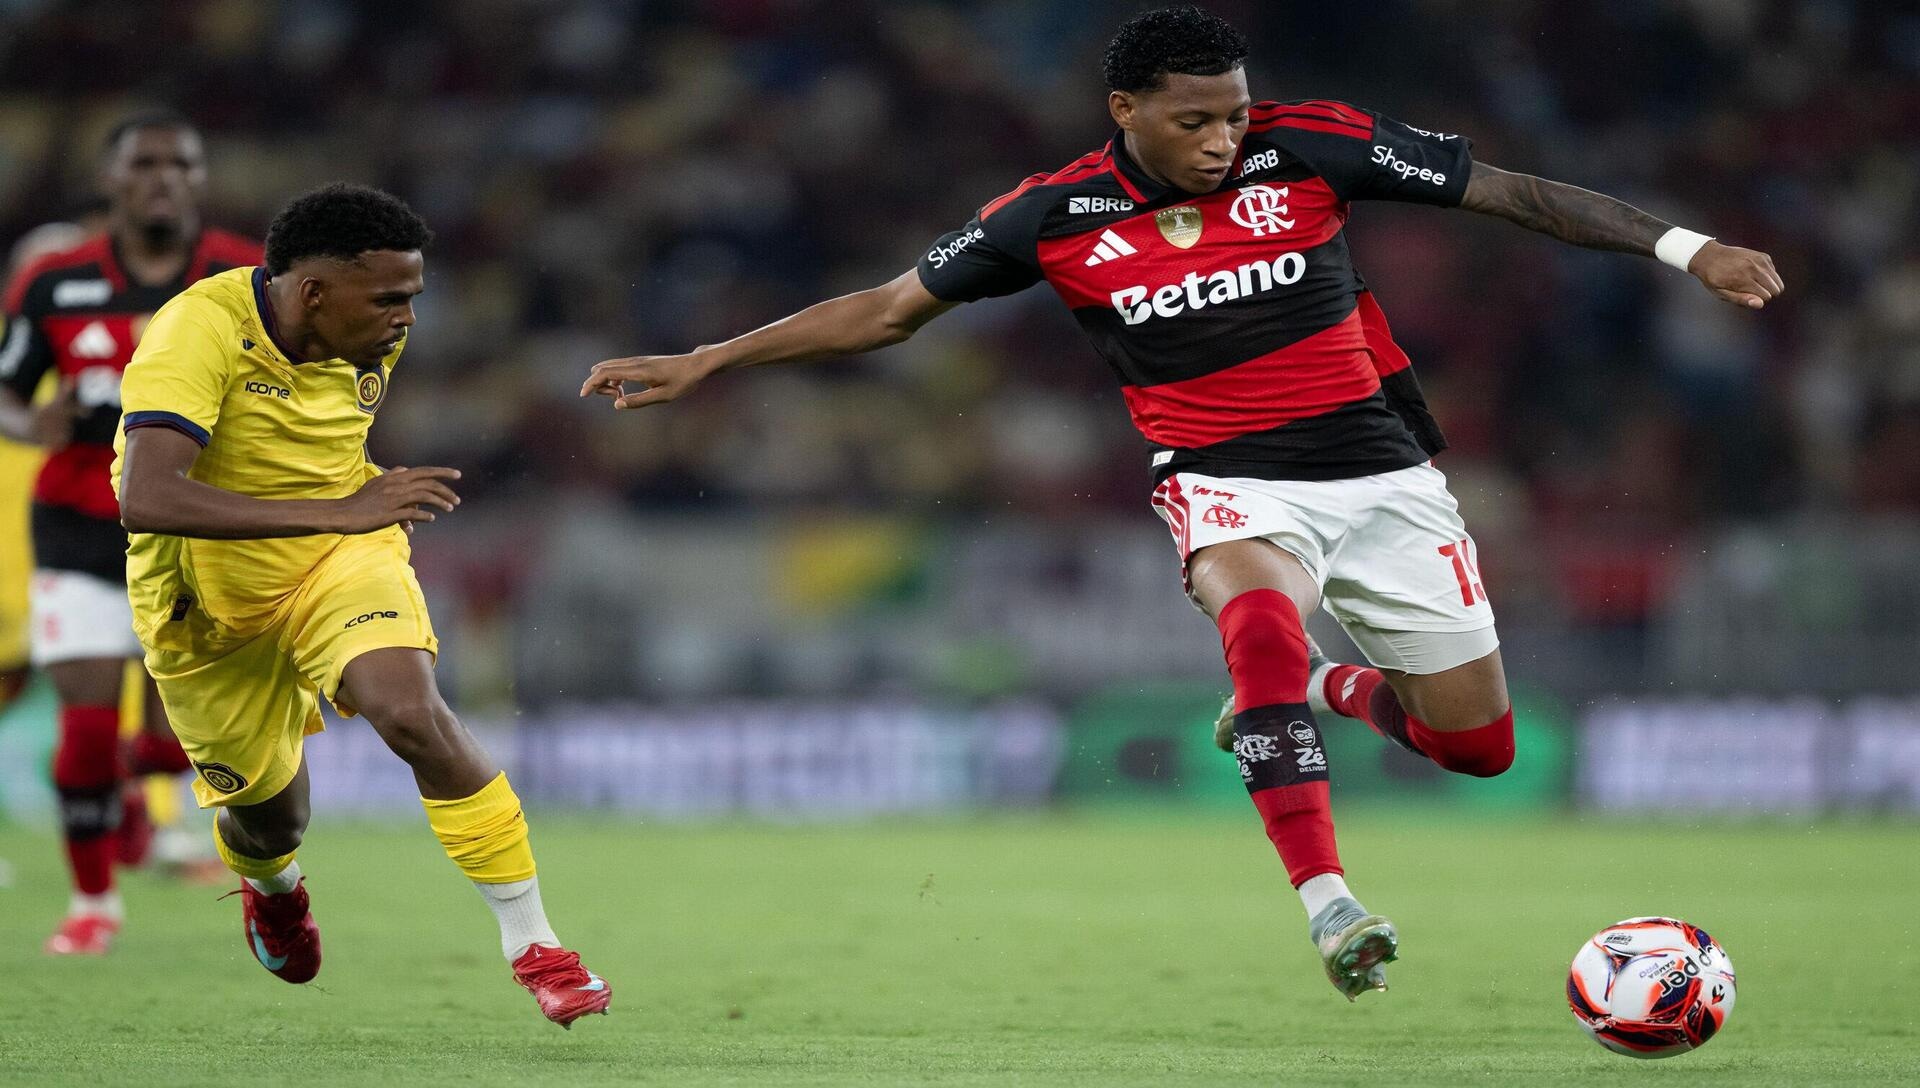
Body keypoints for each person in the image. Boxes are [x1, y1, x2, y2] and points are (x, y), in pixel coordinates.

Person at [582, 5, 1782, 1000]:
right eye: (1194, 119)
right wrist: (712, 358)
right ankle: (1331, 904)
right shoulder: (1050, 217)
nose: (1222, 139)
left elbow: (1514, 193)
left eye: (1234, 114)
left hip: (1385, 480)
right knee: (1258, 620)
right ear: (1126, 113)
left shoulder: (1313, 145)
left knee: (1479, 746)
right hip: (1224, 479)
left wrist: (1687, 248)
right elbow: (888, 308)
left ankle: (1328, 687)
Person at [111, 182, 611, 1027]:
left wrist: (348, 516)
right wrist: (338, 508)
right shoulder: (196, 332)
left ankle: (538, 948)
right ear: (312, 291)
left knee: (409, 713)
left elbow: (322, 444)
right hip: (203, 600)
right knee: (271, 821)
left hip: (340, 560)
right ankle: (273, 889)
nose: (406, 318)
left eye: (413, 296)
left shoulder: (366, 334)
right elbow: (148, 497)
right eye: (389, 297)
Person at [0, 113, 258, 954]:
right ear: (110, 180)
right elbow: (5, 386)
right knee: (81, 722)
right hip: (79, 521)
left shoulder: (245, 275)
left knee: (178, 736)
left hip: (198, 531)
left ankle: (141, 777)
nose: (162, 179)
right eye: (143, 164)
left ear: (200, 178)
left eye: (179, 165)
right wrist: (29, 420)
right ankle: (92, 905)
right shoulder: (53, 281)